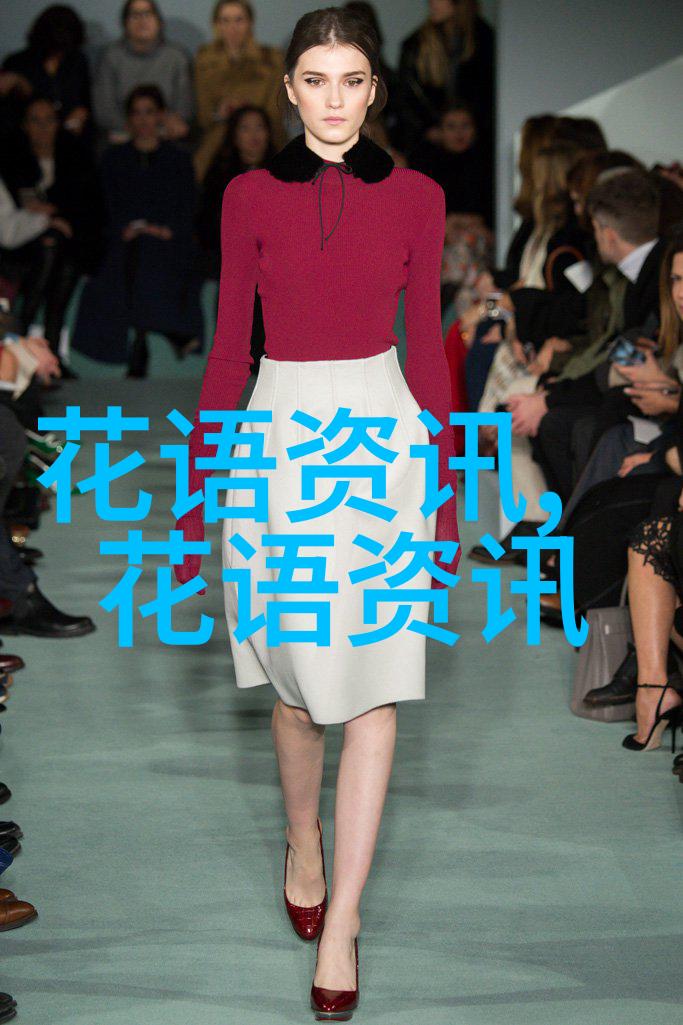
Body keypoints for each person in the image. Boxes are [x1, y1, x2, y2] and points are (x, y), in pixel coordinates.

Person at [173, 7, 459, 1018]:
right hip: (279, 436)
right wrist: (195, 499)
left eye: (351, 79)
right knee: (296, 689)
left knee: (374, 688)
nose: (333, 99)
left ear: (373, 88)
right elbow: (227, 350)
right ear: (287, 88)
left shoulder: (419, 196)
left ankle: (343, 924)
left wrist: (445, 493)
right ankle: (303, 841)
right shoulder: (247, 194)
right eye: (314, 79)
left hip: (382, 442)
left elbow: (428, 346)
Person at [71, 85, 202, 377]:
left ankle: (142, 340)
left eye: (149, 112)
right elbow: (105, 205)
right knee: (133, 255)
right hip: (125, 239)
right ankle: (161, 333)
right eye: (137, 113)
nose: (143, 120)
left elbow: (187, 205)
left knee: (144, 256)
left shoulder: (178, 159)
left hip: (168, 241)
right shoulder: (113, 158)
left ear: (161, 115)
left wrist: (166, 230)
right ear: (128, 118)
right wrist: (125, 229)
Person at [0, 95, 103, 376]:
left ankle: (48, 348)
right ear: (24, 125)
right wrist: (48, 220)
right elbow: (9, 225)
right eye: (36, 120)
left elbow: (87, 210)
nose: (43, 127)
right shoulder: (10, 162)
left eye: (49, 120)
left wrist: (54, 216)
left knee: (61, 253)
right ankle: (28, 341)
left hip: (68, 242)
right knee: (50, 247)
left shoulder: (76, 157)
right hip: (18, 248)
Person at [196, 104, 277, 370]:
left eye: (259, 127)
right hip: (232, 259)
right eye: (245, 128)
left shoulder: (286, 174)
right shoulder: (220, 175)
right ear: (233, 135)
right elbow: (208, 224)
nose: (253, 135)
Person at [193, 0, 287, 182]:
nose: (232, 28)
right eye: (225, 20)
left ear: (250, 23)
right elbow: (204, 115)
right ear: (216, 25)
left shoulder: (271, 59)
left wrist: (247, 112)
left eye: (239, 20)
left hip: (263, 138)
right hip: (220, 139)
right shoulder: (204, 60)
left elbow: (275, 113)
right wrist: (220, 113)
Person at [92, 0, 192, 148]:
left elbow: (185, 109)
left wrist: (160, 129)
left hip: (166, 138)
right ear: (125, 23)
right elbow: (104, 111)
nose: (142, 20)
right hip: (122, 138)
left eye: (147, 14)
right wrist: (137, 130)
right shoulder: (110, 57)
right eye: (135, 15)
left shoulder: (177, 57)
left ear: (159, 22)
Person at [1, 5, 92, 139]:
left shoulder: (77, 61)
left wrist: (81, 112)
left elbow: (85, 99)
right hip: (27, 135)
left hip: (69, 134)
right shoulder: (18, 63)